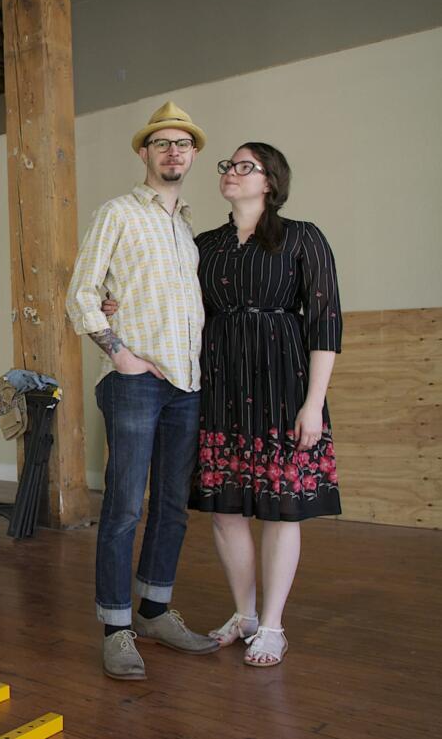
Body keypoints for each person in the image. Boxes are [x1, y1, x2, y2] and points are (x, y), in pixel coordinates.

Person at [103, 142, 343, 668]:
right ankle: (246, 614)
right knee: (226, 510)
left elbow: (326, 324)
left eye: (245, 167)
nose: (231, 173)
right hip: (219, 388)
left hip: (284, 389)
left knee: (281, 510)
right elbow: (166, 294)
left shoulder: (303, 237)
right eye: (228, 166)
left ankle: (274, 626)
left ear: (270, 181)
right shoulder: (203, 244)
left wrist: (313, 404)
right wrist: (112, 302)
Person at [67, 102, 219, 682]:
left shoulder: (186, 229)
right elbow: (81, 293)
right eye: (162, 144)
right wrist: (119, 354)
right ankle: (116, 627)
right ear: (144, 153)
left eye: (183, 143)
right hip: (135, 383)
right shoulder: (119, 213)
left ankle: (154, 611)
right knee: (125, 507)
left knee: (172, 509)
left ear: (194, 154)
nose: (173, 152)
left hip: (186, 384)